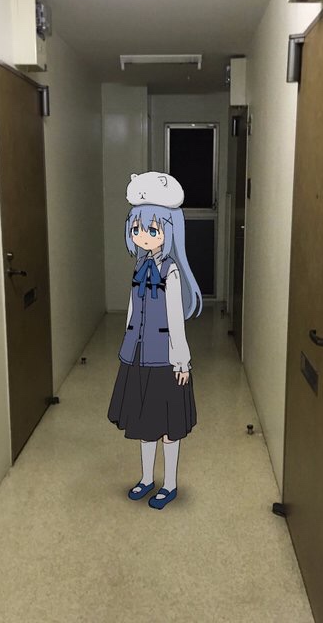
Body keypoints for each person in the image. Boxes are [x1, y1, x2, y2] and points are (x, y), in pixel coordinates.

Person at [108, 171, 202, 510]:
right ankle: (147, 478)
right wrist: (127, 343)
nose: (142, 236)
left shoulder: (170, 271)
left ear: (168, 230)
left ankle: (170, 484)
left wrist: (182, 362)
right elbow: (134, 310)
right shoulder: (139, 268)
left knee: (168, 428)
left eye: (151, 229)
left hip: (164, 359)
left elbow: (176, 322)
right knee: (144, 424)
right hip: (138, 355)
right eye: (136, 229)